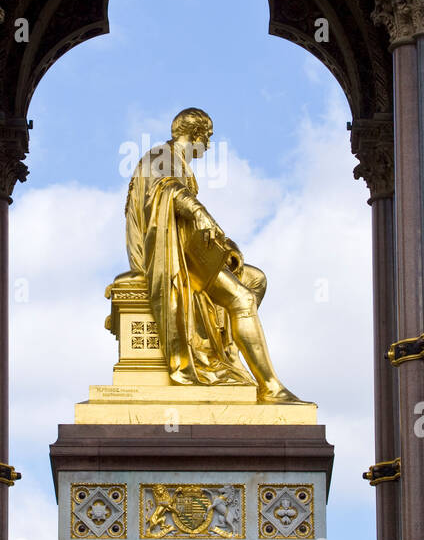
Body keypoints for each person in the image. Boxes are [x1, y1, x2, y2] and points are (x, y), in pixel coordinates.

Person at [124, 108, 299, 401]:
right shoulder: (160, 157)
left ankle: (227, 354)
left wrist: (226, 245)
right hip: (168, 261)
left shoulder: (173, 161)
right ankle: (270, 387)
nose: (208, 145)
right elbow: (167, 192)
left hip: (184, 254)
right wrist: (199, 211)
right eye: (208, 138)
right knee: (243, 299)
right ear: (197, 134)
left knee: (255, 280)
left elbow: (184, 217)